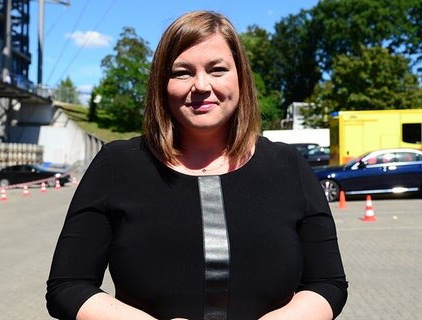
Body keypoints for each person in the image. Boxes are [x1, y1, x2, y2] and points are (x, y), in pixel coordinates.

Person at [46, 10, 348, 320]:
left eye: (217, 69)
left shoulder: (288, 166)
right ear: (162, 84)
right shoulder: (117, 165)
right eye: (182, 72)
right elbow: (68, 286)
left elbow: (327, 283)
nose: (201, 85)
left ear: (240, 78)